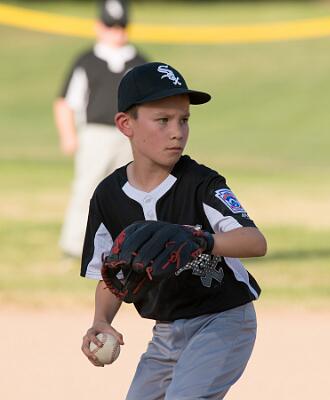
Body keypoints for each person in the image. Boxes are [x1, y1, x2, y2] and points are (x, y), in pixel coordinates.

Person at [80, 62, 267, 400]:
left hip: (222, 320)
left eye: (184, 120)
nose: (177, 132)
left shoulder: (200, 183)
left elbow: (255, 242)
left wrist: (202, 240)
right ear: (126, 124)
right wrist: (101, 320)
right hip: (167, 333)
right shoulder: (108, 197)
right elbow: (114, 273)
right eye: (163, 120)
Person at [53, 0, 147, 258]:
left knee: (129, 190)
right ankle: (75, 245)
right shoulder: (87, 61)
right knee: (88, 188)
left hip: (129, 136)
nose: (116, 32)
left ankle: (128, 246)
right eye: (110, 26)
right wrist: (68, 135)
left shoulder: (139, 62)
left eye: (120, 26)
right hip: (95, 134)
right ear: (98, 26)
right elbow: (65, 102)